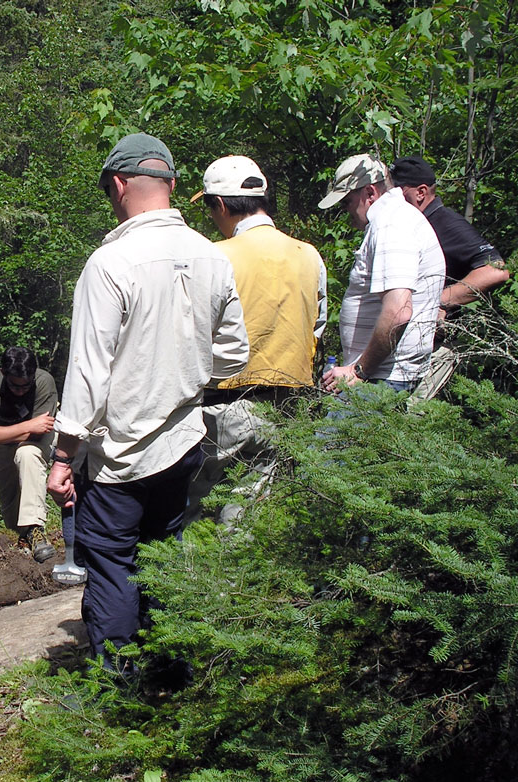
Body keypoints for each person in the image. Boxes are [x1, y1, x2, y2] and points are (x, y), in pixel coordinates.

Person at [46, 133, 249, 665]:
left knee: (112, 562)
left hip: (121, 456)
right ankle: (172, 669)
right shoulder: (212, 256)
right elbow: (234, 356)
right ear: (174, 185)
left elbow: (88, 373)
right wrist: (184, 376)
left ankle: (118, 687)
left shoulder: (110, 263)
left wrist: (64, 455)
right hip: (184, 442)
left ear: (117, 185)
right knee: (164, 552)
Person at [186, 155, 327, 523]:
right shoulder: (309, 256)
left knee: (193, 514)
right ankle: (234, 584)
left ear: (219, 204)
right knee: (245, 522)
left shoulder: (214, 257)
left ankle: (188, 581)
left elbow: (191, 336)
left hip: (220, 409)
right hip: (283, 410)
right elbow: (316, 327)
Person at [318, 154, 444, 394]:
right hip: (381, 376)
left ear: (370, 193)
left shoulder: (391, 224)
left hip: (381, 379)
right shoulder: (395, 218)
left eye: (347, 202)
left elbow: (398, 312)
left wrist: (359, 371)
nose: (345, 210)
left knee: (334, 434)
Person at [389, 155, 510, 400]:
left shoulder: (445, 223)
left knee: (412, 417)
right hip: (407, 348)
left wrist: (440, 300)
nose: (390, 200)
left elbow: (496, 268)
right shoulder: (412, 223)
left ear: (421, 192)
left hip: (437, 348)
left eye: (397, 192)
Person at [0, 346, 58, 562]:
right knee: (9, 501)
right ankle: (24, 535)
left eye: (26, 385)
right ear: (3, 372)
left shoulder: (44, 382)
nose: (20, 391)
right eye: (14, 385)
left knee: (27, 454)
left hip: (33, 441)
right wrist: (28, 425)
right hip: (7, 443)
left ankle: (36, 530)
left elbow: (38, 434)